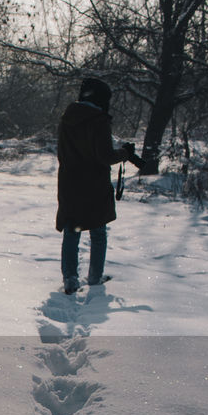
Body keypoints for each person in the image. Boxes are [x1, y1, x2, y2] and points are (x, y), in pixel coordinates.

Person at [55, 77, 139, 294]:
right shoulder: (99, 121)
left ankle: (70, 280)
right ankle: (94, 278)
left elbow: (64, 152)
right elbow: (104, 156)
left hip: (69, 183)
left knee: (72, 231)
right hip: (93, 185)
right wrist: (125, 154)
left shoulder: (67, 118)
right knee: (98, 231)